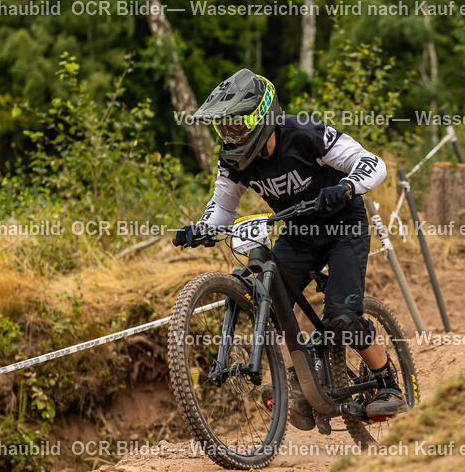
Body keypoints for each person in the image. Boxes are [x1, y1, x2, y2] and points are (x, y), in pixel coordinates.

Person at [171, 68, 406, 429]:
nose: (231, 135)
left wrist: (346, 187)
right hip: (298, 232)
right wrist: (201, 230)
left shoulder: (306, 133)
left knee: (342, 317)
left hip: (343, 225)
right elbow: (222, 209)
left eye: (237, 125)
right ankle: (300, 382)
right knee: (270, 299)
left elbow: (372, 163)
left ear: (263, 116)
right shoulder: (234, 161)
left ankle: (388, 381)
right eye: (225, 128)